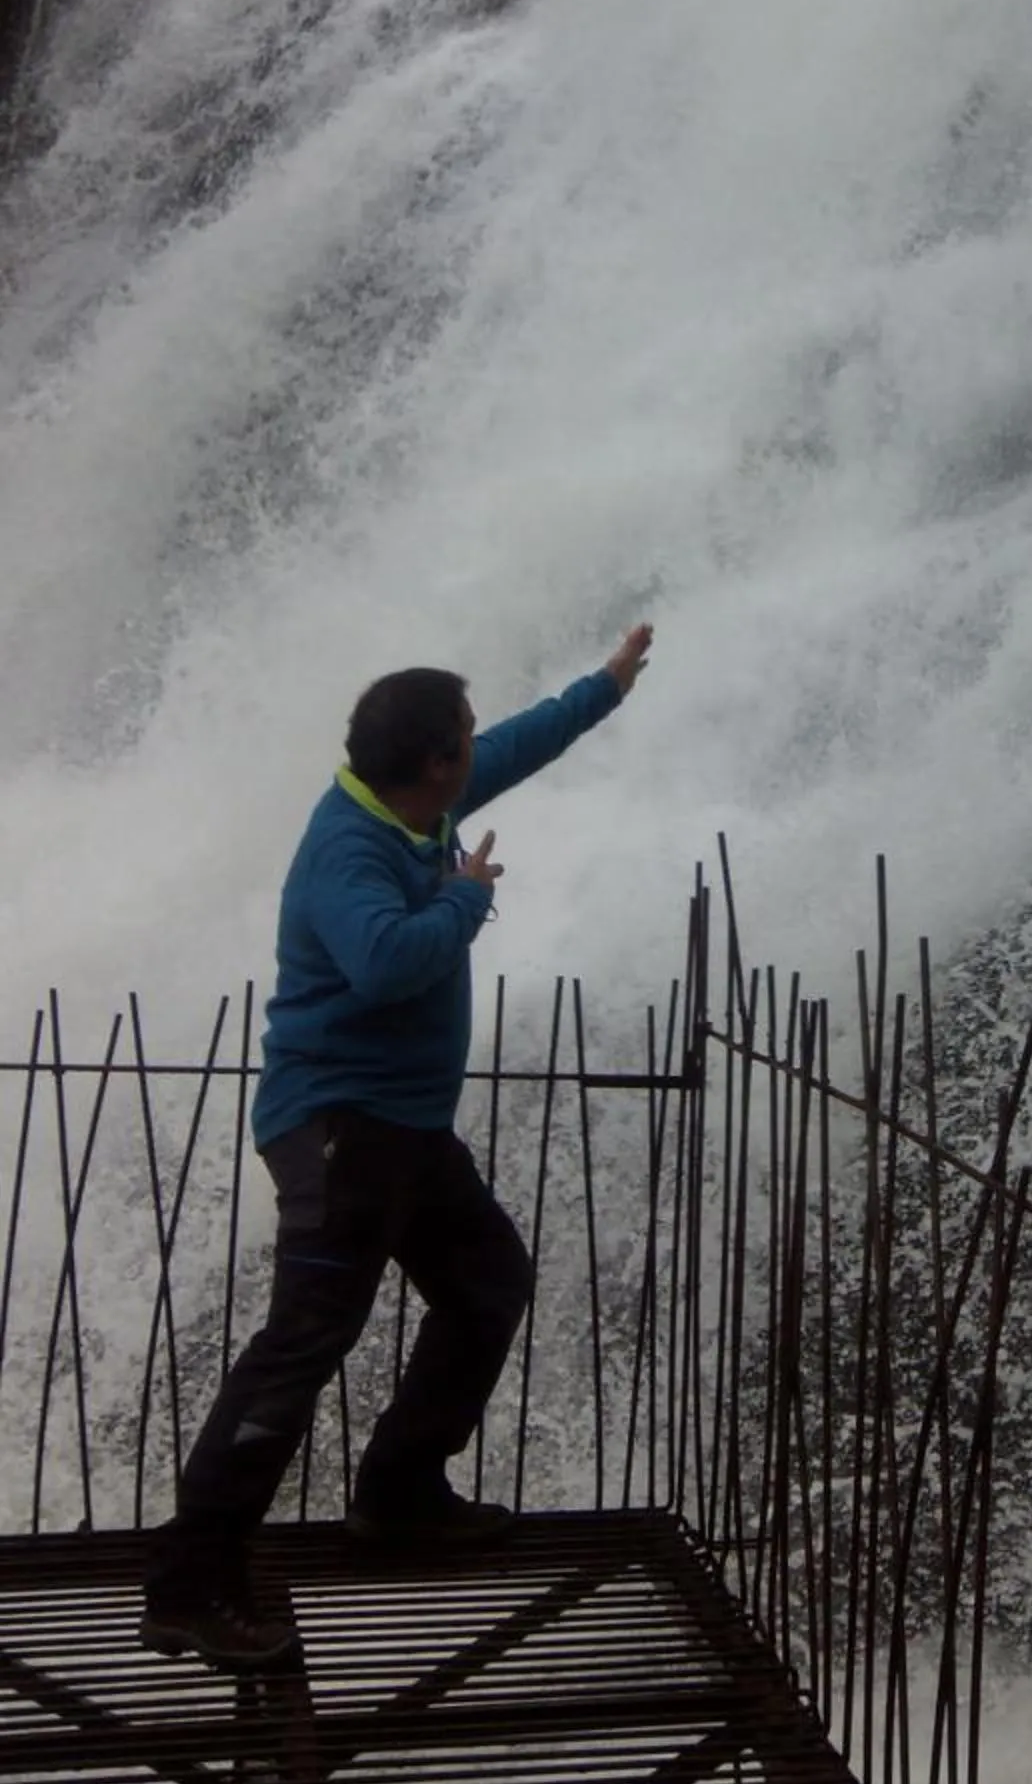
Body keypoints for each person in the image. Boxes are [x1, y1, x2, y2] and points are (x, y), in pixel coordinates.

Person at [139, 625, 653, 1671]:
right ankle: (189, 1585)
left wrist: (602, 689)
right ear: (430, 763)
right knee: (303, 1345)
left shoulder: (418, 803)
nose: (475, 746)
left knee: (486, 1284)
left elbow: (514, 744)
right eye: (460, 736)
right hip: (336, 1131)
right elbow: (381, 962)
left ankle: (398, 1495)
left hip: (402, 1133)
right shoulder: (351, 847)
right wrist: (468, 895)